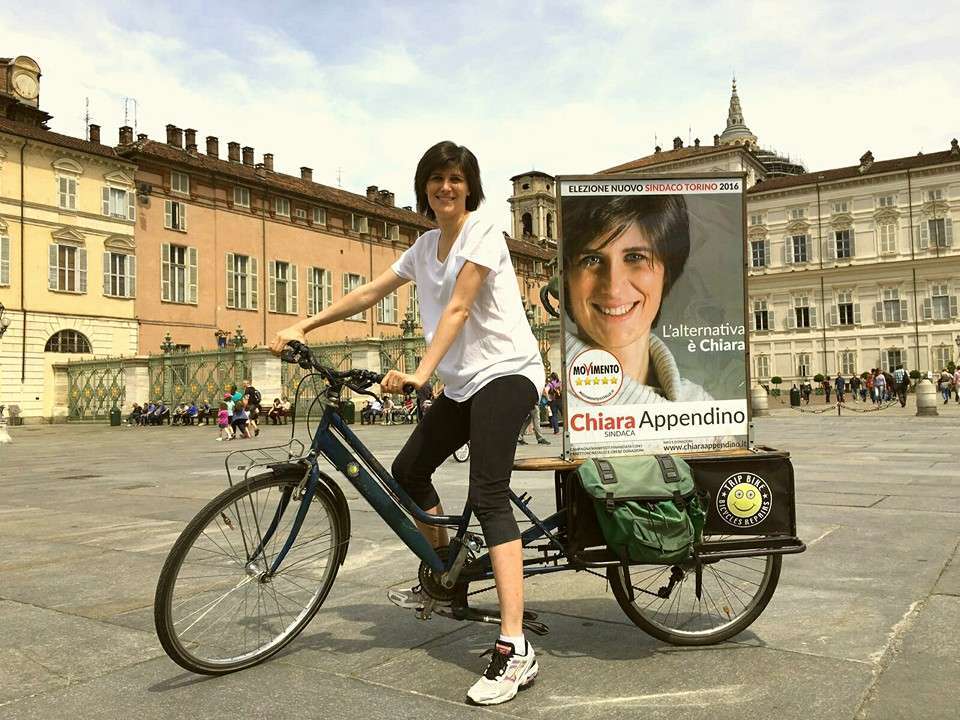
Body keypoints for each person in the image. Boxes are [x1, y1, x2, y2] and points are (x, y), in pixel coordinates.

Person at [269, 141, 544, 705]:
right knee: (409, 469)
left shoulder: (483, 232)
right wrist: (305, 324)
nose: (446, 187)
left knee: (487, 493)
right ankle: (447, 570)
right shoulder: (423, 247)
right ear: (424, 187)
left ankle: (515, 648)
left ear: (470, 186)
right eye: (436, 179)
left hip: (509, 374)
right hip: (466, 382)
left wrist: (420, 372)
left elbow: (461, 307)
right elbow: (371, 291)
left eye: (456, 178)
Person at [561, 193, 711, 409]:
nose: (613, 288)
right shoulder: (554, 397)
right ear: (566, 276)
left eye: (635, 257)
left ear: (667, 271)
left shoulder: (700, 403)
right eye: (591, 260)